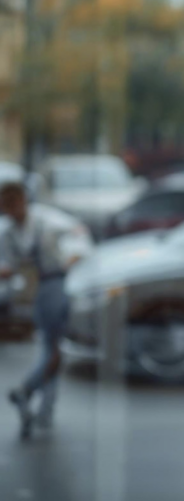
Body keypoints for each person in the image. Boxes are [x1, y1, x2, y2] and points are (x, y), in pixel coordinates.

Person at [1, 182, 92, 439]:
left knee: (53, 348)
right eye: (6, 206)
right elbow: (9, 266)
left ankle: (28, 391)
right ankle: (44, 407)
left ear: (23, 200)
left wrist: (72, 257)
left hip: (54, 285)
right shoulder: (8, 233)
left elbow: (79, 234)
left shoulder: (47, 221)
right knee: (50, 348)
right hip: (33, 292)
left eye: (14, 204)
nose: (11, 211)